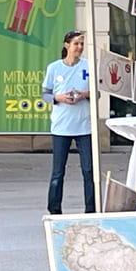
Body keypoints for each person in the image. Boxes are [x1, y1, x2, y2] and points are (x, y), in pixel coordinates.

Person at [43, 30, 94, 215]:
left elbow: (97, 93)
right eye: (76, 44)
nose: (79, 47)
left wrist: (84, 95)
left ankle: (91, 207)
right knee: (58, 171)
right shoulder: (54, 68)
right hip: (61, 126)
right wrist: (58, 97)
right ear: (67, 45)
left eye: (82, 44)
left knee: (89, 171)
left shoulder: (89, 66)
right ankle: (54, 208)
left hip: (84, 126)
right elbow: (45, 94)